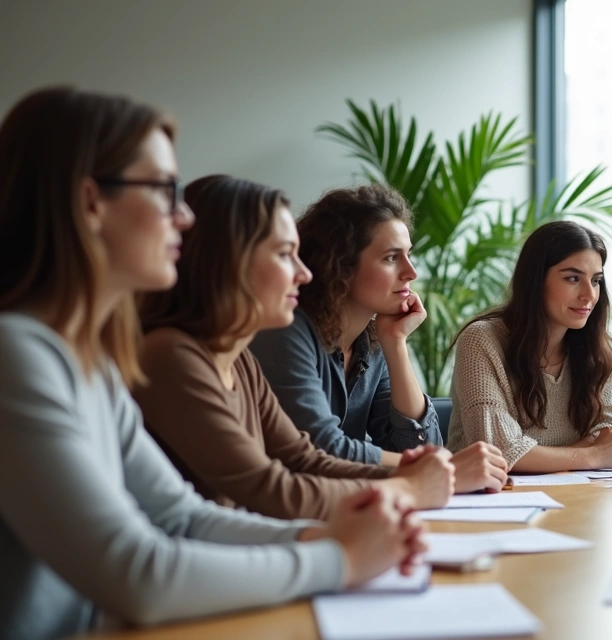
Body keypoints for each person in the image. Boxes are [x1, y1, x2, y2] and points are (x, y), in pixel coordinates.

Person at [0, 87, 424, 639]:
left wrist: (324, 540)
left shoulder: (92, 364)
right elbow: (137, 573)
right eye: (163, 191)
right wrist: (340, 560)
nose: (182, 218)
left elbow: (182, 518)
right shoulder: (16, 356)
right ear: (89, 203)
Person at [134, 174, 455, 521]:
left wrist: (423, 475)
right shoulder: (172, 355)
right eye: (286, 254)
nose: (304, 273)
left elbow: (304, 458)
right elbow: (275, 485)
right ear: (232, 262)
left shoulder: (240, 361)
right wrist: (412, 486)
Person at [249, 185, 508, 493]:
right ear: (340, 266)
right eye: (390, 258)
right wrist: (444, 470)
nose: (411, 272)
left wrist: (396, 345)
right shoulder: (287, 331)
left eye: (408, 255)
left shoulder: (372, 344)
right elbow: (321, 449)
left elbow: (418, 446)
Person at [447, 221, 612, 472]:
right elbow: (499, 452)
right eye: (572, 278)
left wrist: (543, 456)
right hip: (493, 501)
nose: (589, 295)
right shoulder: (481, 340)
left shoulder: (596, 350)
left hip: (577, 498)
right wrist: (594, 456)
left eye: (596, 280)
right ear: (535, 280)